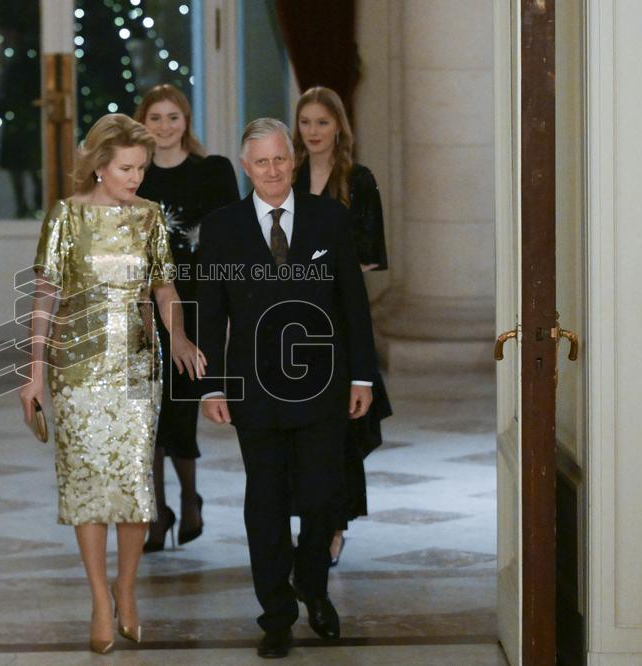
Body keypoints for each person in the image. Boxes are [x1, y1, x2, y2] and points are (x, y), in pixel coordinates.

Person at [19, 113, 206, 654]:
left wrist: (179, 337)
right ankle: (99, 596)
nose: (137, 178)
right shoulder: (66, 218)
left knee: (131, 482)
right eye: (127, 168)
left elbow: (164, 288)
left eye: (142, 169)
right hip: (75, 370)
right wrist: (33, 372)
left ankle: (127, 588)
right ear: (100, 166)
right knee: (85, 483)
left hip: (135, 369)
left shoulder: (150, 218)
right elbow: (45, 297)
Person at [195, 118, 378, 658]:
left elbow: (353, 305)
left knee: (324, 496)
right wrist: (211, 386)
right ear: (246, 166)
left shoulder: (329, 218)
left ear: (291, 162)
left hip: (324, 383)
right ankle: (275, 614)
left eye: (280, 159)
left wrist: (362, 375)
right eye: (261, 162)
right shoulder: (222, 227)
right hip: (253, 388)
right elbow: (209, 310)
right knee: (267, 502)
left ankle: (314, 587)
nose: (272, 170)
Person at [133, 84, 239, 552]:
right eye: (155, 117)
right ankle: (158, 512)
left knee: (180, 403)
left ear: (186, 120)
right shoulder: (134, 177)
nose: (164, 126)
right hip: (141, 304)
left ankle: (189, 498)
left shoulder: (211, 173)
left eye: (172, 116)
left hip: (197, 303)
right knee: (150, 411)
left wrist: (231, 304)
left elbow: (230, 242)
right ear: (143, 123)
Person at [292, 86, 394, 566]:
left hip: (340, 315)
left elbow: (370, 255)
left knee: (341, 429)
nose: (312, 132)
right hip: (290, 317)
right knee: (298, 427)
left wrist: (325, 270)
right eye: (306, 122)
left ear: (339, 128)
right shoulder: (285, 176)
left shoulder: (360, 180)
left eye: (322, 123)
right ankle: (307, 522)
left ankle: (334, 526)